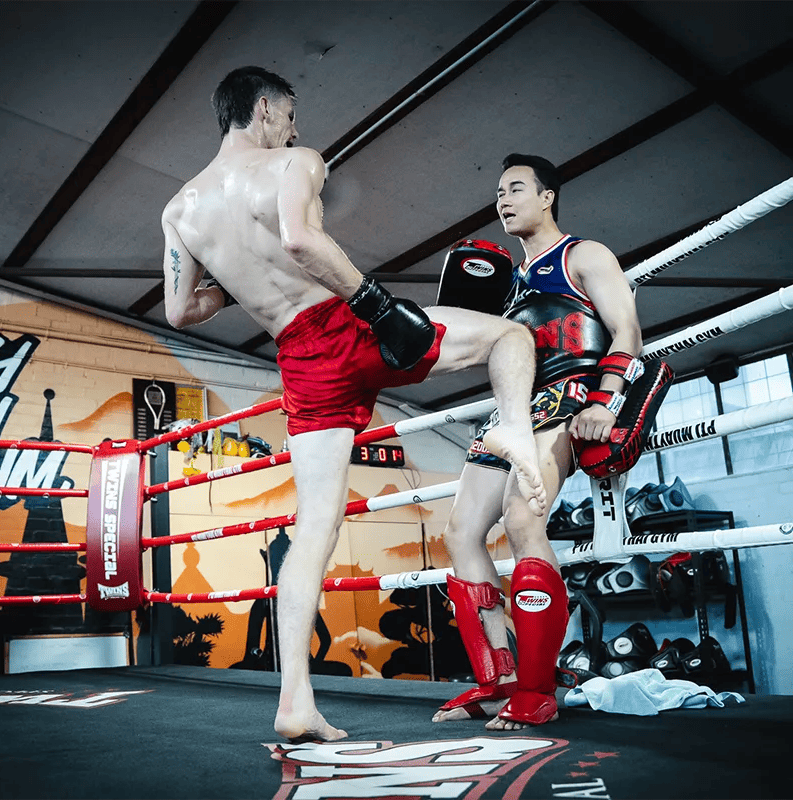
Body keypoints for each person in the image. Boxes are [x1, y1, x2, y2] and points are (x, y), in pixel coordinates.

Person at [161, 67, 548, 743]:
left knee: (313, 529)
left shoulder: (180, 209)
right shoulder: (296, 162)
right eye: (288, 114)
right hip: (345, 328)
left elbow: (180, 308)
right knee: (510, 336)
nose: (296, 127)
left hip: (296, 359)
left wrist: (233, 274)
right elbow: (301, 241)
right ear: (263, 108)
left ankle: (295, 703)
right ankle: (515, 429)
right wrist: (376, 304)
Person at [432, 154, 642, 731]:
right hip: (512, 411)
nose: (502, 199)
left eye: (515, 188)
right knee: (460, 532)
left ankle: (537, 687)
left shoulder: (583, 255)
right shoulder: (504, 284)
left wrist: (604, 401)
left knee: (523, 520)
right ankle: (497, 677)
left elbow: (627, 329)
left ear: (547, 196)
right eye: (497, 191)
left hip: (570, 395)